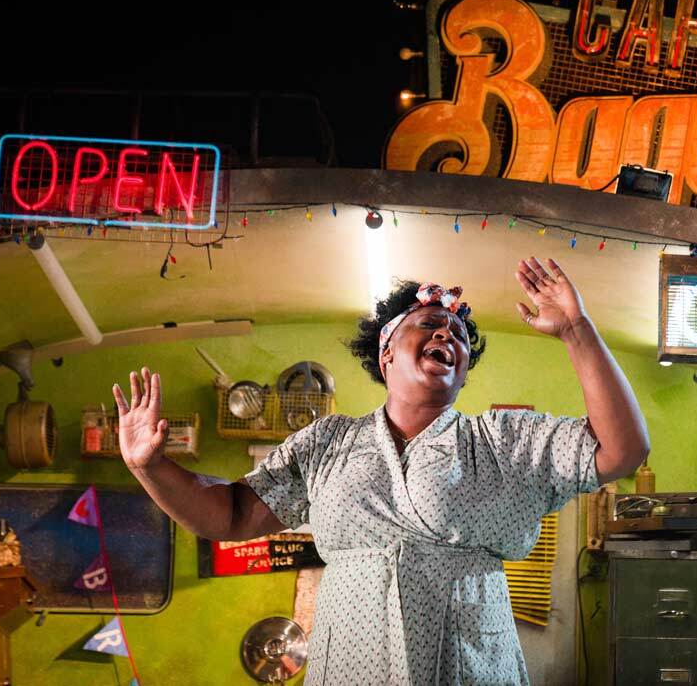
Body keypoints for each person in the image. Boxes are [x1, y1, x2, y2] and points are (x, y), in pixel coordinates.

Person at [113, 257, 649, 685]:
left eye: (460, 336)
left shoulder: (502, 441)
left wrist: (577, 330)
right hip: (349, 667)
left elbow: (620, 451)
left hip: (468, 668)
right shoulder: (327, 442)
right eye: (430, 325)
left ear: (462, 377)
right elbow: (227, 515)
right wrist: (151, 467)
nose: (449, 336)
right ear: (387, 351)